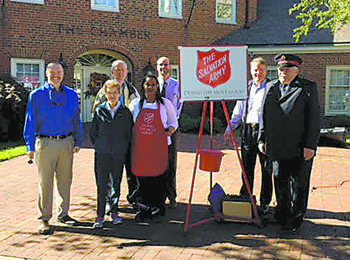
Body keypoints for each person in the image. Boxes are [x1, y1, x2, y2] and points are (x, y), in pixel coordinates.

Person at [258, 54, 320, 231]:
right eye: (280, 69)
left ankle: (297, 217)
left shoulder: (307, 88)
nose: (282, 72)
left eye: (287, 69)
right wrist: (262, 138)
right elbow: (264, 115)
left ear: (296, 70)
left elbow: (314, 119)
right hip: (277, 146)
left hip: (300, 147)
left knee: (299, 184)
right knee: (280, 180)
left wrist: (311, 145)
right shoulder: (270, 87)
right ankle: (282, 214)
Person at [24, 62, 83, 234]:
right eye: (52, 72)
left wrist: (78, 140)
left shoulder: (71, 95)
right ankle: (44, 218)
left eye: (59, 72)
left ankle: (63, 213)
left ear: (63, 74)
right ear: (46, 73)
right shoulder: (36, 95)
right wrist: (29, 145)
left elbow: (76, 119)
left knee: (65, 181)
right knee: (45, 183)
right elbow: (30, 120)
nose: (56, 75)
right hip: (45, 143)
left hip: (66, 142)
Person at [224, 57, 272, 214]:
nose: (258, 73)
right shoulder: (246, 88)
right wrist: (229, 129)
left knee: (266, 169)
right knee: (246, 168)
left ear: (266, 71)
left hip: (264, 133)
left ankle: (265, 202)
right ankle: (246, 198)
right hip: (247, 132)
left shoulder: (271, 88)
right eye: (255, 70)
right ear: (251, 72)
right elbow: (238, 112)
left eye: (261, 70)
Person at [129, 75, 178, 221]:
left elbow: (173, 122)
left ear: (157, 87)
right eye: (147, 84)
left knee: (158, 177)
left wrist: (170, 130)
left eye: (153, 85)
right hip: (141, 148)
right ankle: (143, 208)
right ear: (143, 86)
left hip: (159, 147)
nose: (150, 87)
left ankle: (158, 207)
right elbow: (130, 125)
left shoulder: (165, 104)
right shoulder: (136, 104)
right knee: (142, 178)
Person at [93, 60, 140, 208]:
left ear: (126, 73)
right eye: (117, 70)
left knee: (131, 171)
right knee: (109, 174)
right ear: (112, 72)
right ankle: (109, 202)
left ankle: (133, 199)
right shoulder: (104, 91)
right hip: (110, 141)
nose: (120, 73)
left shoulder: (132, 91)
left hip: (127, 138)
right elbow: (96, 113)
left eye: (122, 70)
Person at [90, 80, 134, 228]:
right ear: (105, 93)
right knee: (102, 184)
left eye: (115, 92)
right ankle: (100, 214)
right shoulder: (99, 110)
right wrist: (100, 146)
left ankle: (114, 212)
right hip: (102, 153)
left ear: (119, 94)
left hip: (118, 152)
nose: (112, 95)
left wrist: (122, 147)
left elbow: (129, 133)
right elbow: (93, 133)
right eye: (109, 92)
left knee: (116, 183)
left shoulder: (125, 112)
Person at [157, 56, 182, 208]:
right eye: (160, 65)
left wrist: (172, 125)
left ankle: (172, 196)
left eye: (166, 64)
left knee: (171, 163)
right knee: (157, 162)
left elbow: (179, 106)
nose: (163, 67)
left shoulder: (177, 85)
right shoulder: (153, 84)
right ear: (157, 67)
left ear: (170, 67)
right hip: (156, 129)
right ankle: (158, 195)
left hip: (172, 128)